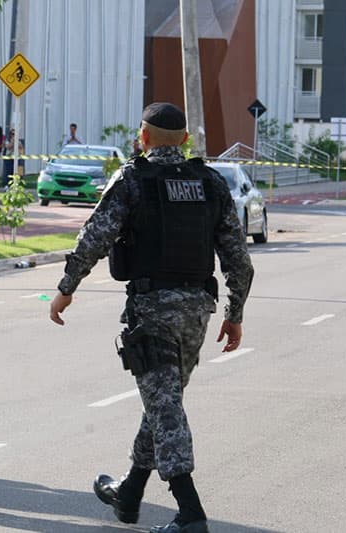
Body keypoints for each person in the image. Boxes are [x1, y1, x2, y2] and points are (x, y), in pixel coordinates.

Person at [49, 102, 253, 533]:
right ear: (182, 140)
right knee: (163, 400)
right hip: (198, 311)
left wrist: (66, 288)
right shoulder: (211, 182)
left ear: (142, 138)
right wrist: (234, 314)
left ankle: (191, 513)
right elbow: (239, 258)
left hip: (152, 308)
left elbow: (94, 238)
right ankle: (129, 493)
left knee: (165, 407)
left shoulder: (132, 180)